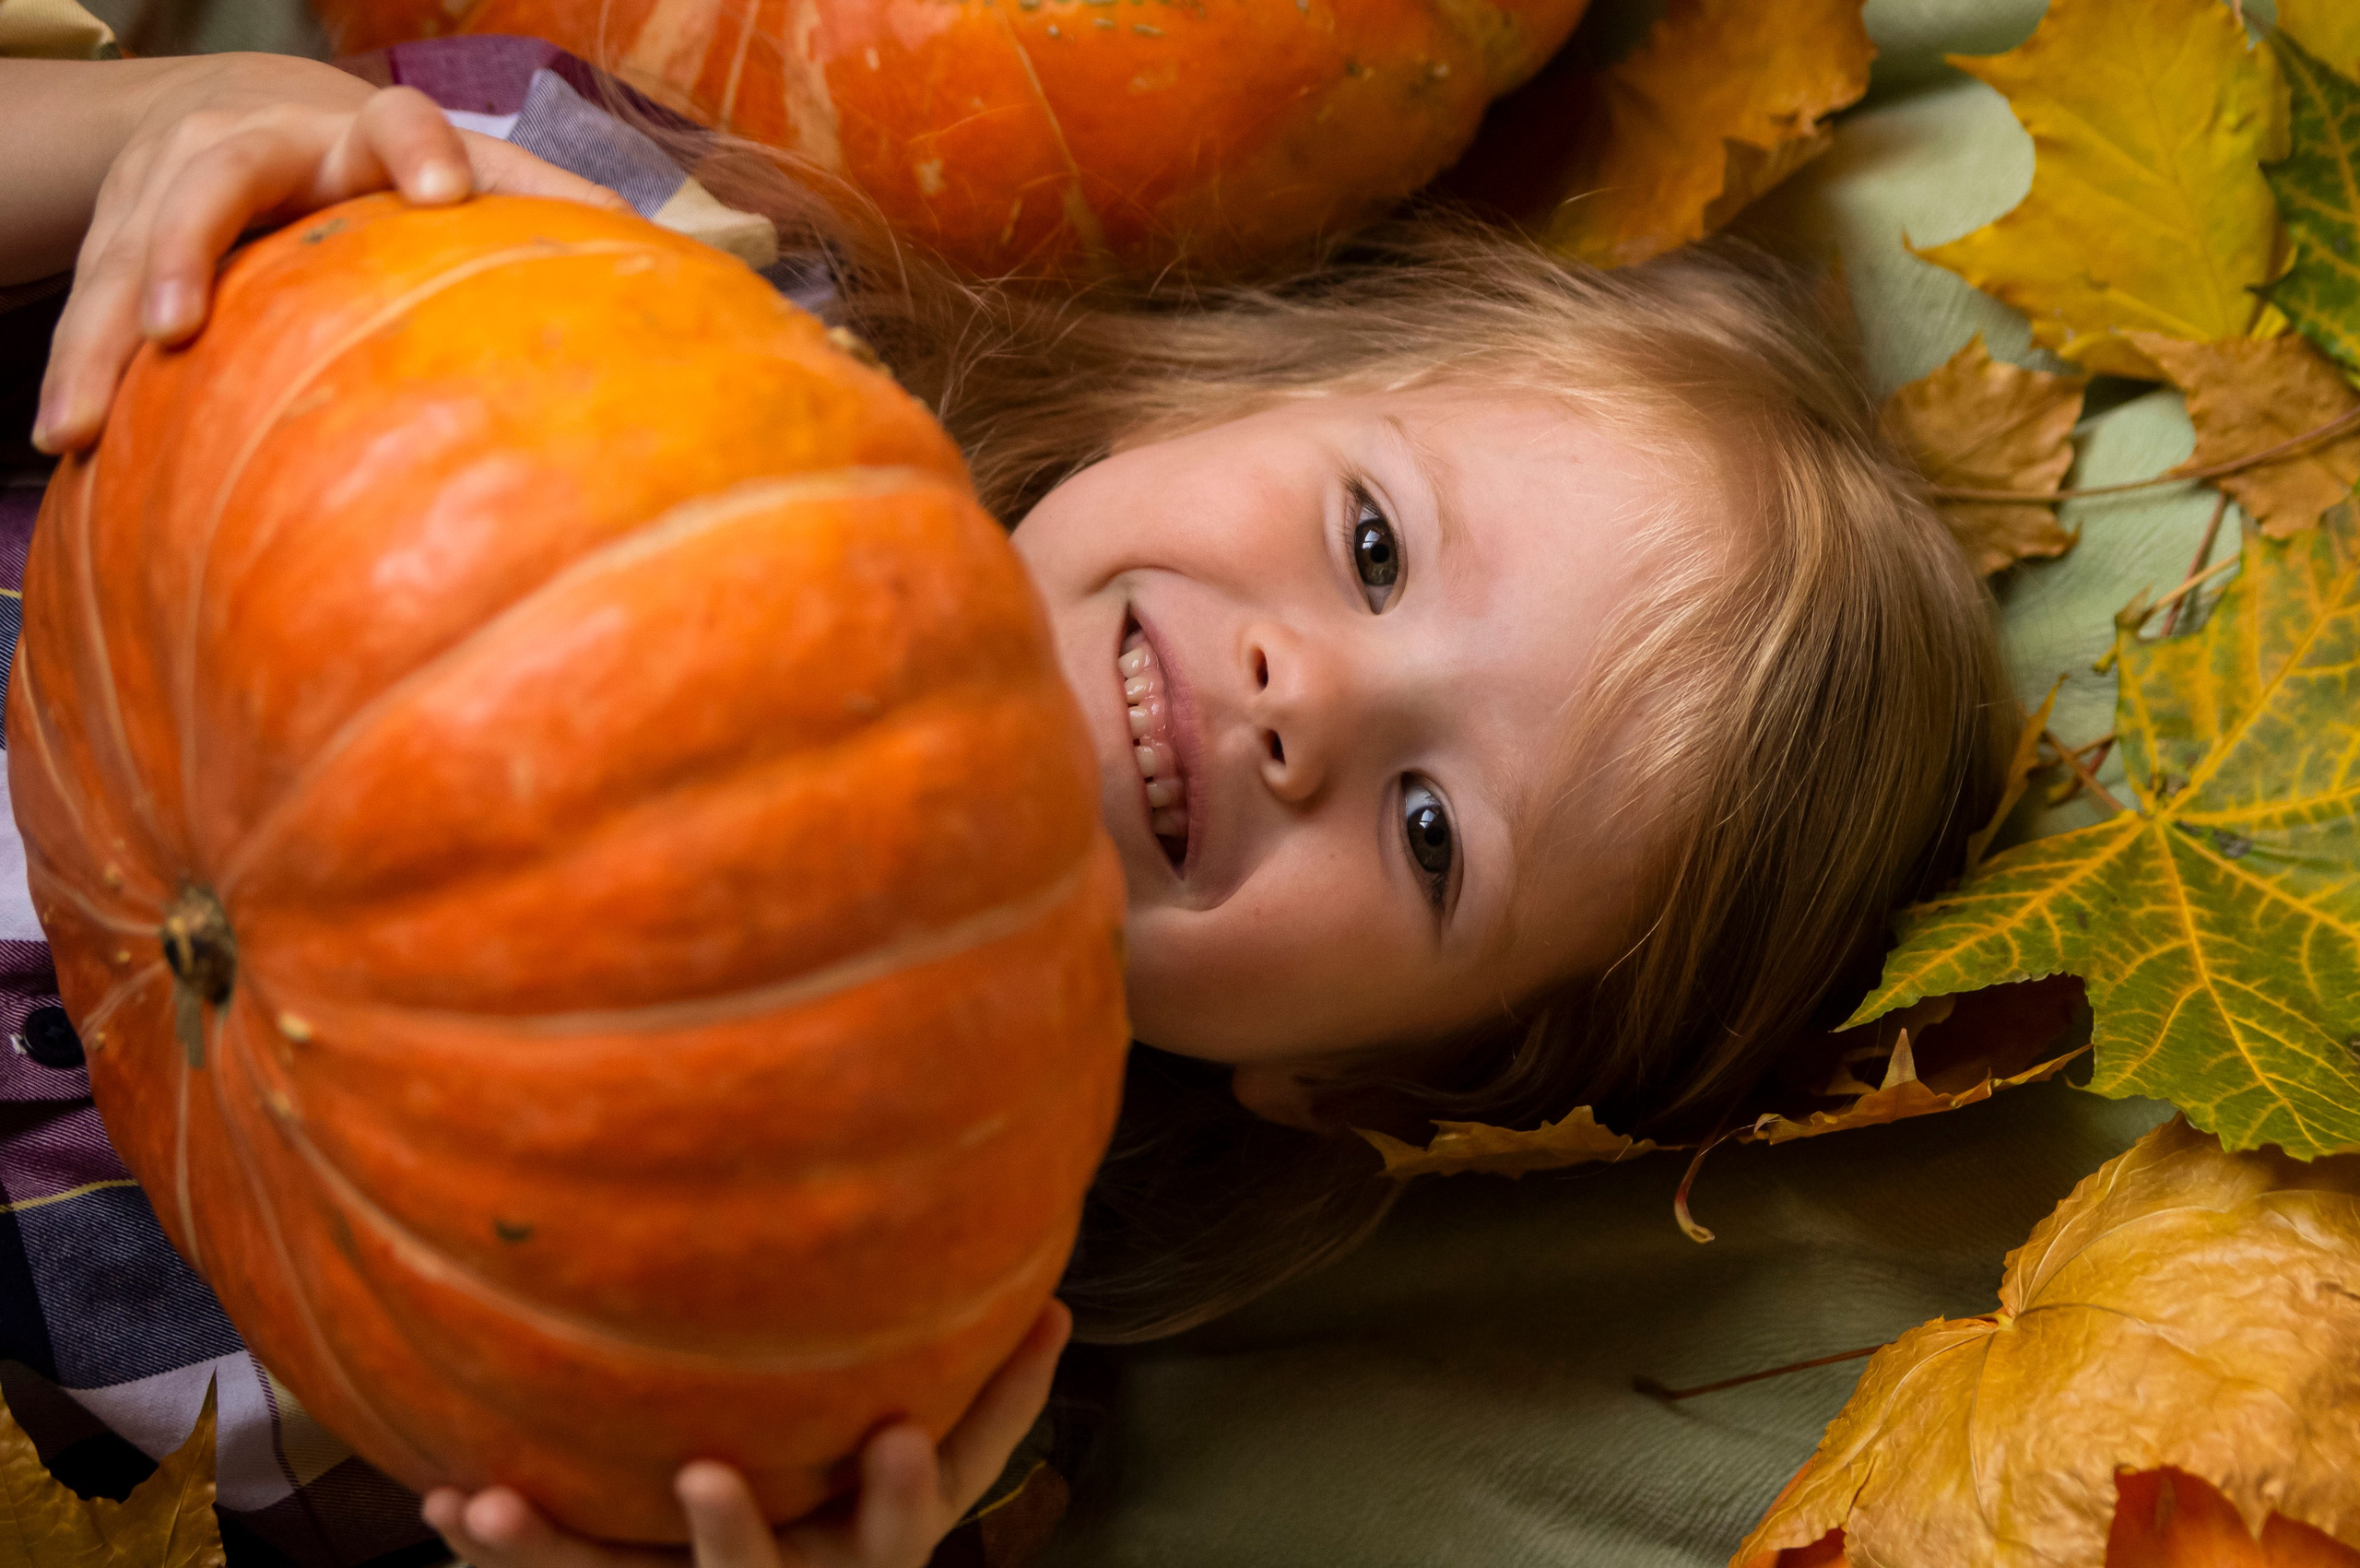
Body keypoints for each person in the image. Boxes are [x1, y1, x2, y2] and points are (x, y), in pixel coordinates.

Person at [0, 40, 2013, 1568]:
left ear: (1344, 1084)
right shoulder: (603, 247)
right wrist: (165, 138)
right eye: (1374, 545)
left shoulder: (905, 1402)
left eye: (1428, 835)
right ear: (1207, 394)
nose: (1301, 694)